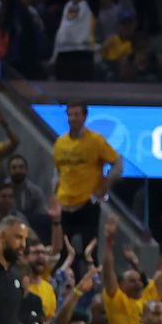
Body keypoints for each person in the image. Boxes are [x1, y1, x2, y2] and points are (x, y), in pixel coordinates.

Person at [52, 103, 122, 255]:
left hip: (87, 202)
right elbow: (57, 171)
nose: (73, 118)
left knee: (89, 252)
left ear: (84, 116)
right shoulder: (60, 142)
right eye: (70, 115)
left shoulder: (96, 140)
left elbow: (117, 163)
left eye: (77, 114)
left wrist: (104, 187)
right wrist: (54, 195)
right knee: (62, 252)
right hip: (64, 203)